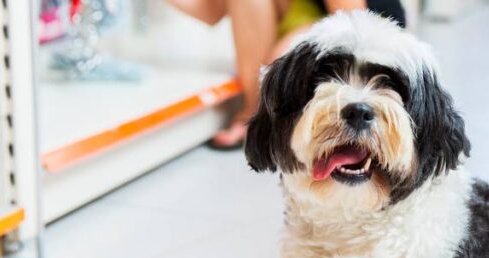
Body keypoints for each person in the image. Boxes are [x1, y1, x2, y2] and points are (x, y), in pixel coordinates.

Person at [167, 0, 406, 150]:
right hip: (311, 10)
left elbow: (352, 19)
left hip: (365, 19)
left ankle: (267, 114)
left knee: (281, 63)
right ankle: (253, 113)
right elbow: (211, 10)